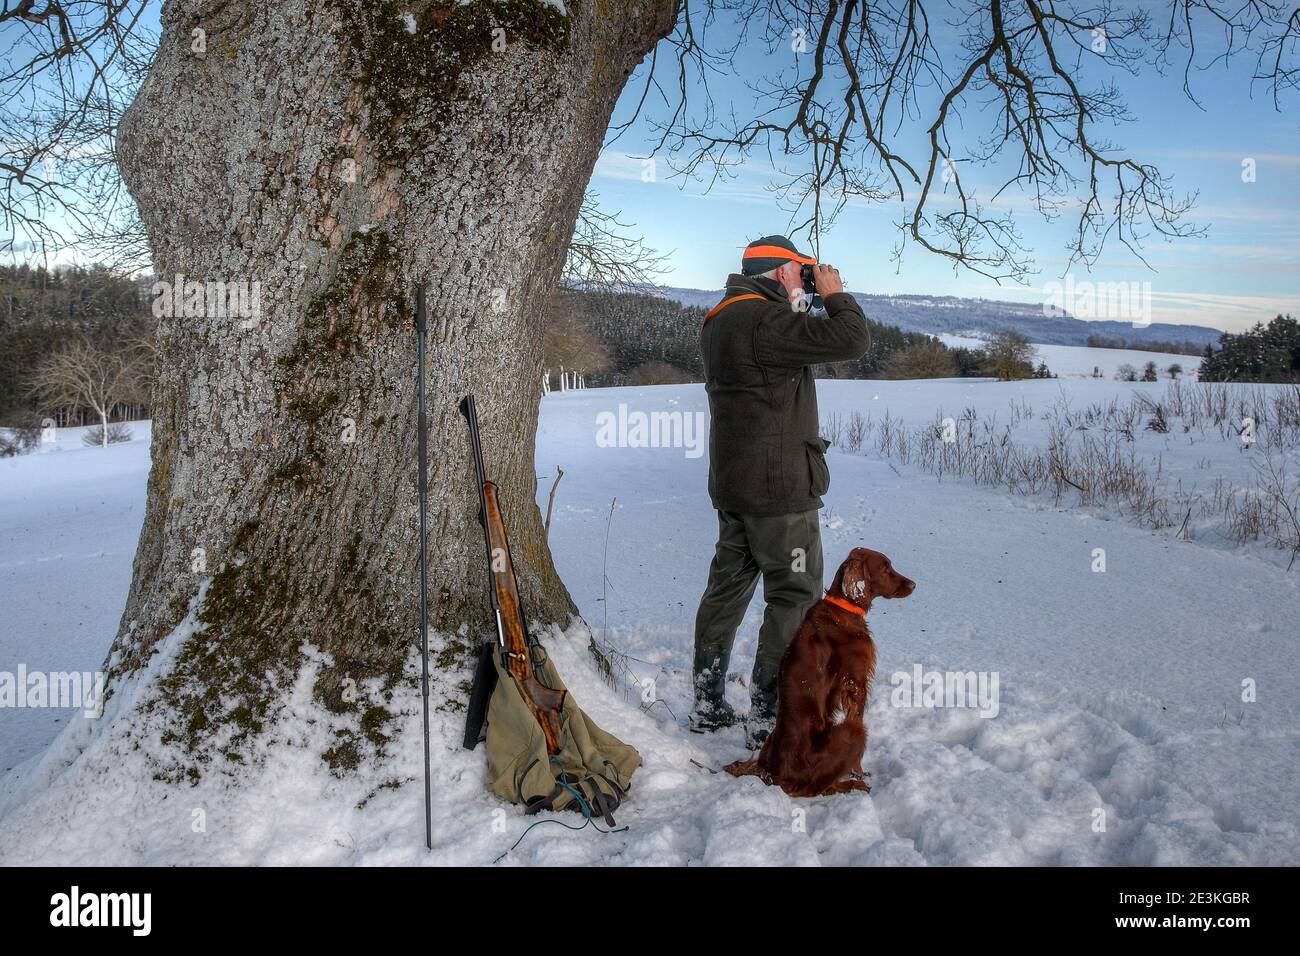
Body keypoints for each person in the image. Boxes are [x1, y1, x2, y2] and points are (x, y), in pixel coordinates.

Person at [691, 235, 871, 748]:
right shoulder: (766, 322)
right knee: (793, 597)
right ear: (780, 273)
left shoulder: (722, 317)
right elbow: (851, 340)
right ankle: (770, 719)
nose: (811, 280)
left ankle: (707, 703)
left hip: (734, 488)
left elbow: (770, 370)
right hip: (780, 492)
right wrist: (835, 296)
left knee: (726, 591)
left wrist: (794, 298)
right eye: (802, 272)